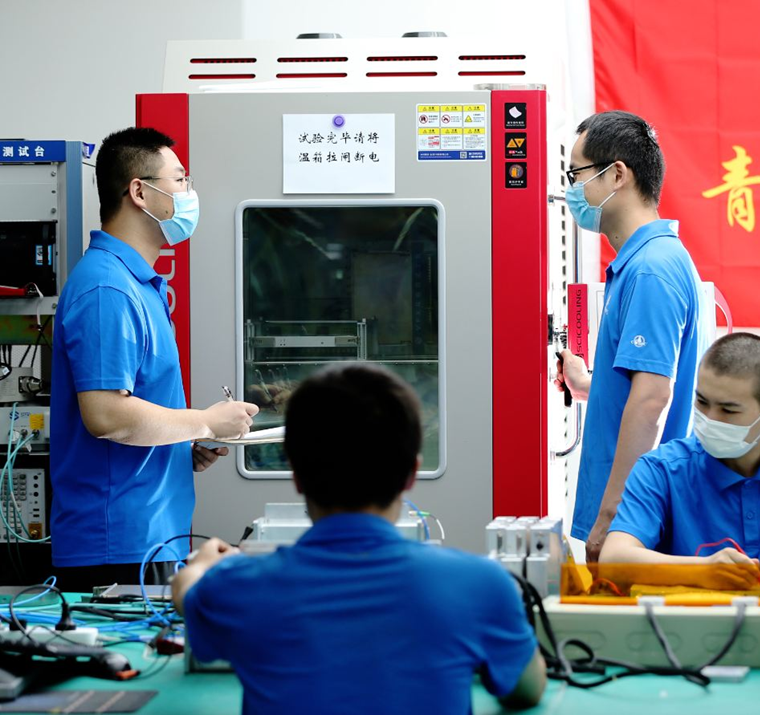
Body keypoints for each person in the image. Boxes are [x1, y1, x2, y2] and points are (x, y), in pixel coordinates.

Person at [172, 363, 546, 714]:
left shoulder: (236, 587)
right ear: (411, 475)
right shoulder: (482, 584)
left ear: (297, 475)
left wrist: (203, 565)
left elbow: (185, 593)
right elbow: (525, 690)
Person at [49, 127, 258, 590]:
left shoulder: (136, 283)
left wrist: (181, 445)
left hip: (150, 537)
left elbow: (134, 410)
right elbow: (106, 416)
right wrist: (205, 421)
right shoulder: (106, 289)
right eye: (180, 180)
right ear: (140, 192)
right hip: (117, 545)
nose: (188, 193)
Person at [599, 333, 760, 593]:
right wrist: (703, 571)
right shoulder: (661, 470)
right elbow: (613, 561)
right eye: (702, 401)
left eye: (728, 409)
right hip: (683, 622)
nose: (709, 419)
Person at [555, 110, 706, 562]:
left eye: (577, 174)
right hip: (634, 519)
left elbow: (652, 399)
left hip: (634, 525)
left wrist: (613, 517)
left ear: (617, 174)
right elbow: (643, 381)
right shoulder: (646, 262)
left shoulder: (651, 270)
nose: (572, 189)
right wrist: (588, 385)